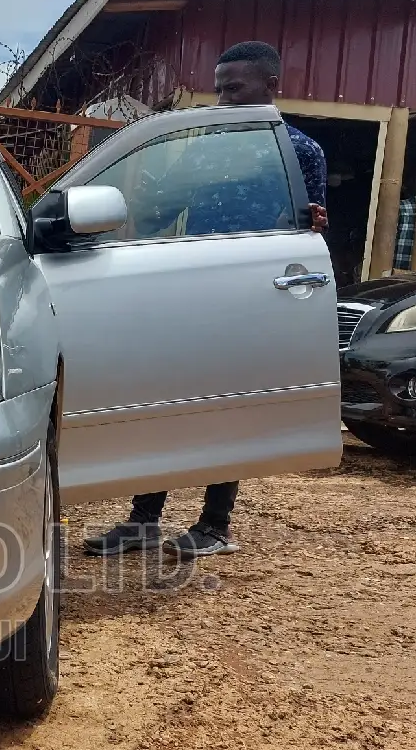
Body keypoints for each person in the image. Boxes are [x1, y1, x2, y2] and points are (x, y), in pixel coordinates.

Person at [84, 40, 329, 559]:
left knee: (226, 406)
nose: (224, 99)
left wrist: (315, 224)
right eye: (219, 90)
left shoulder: (299, 151)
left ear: (270, 86)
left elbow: (310, 224)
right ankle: (143, 519)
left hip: (248, 292)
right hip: (187, 288)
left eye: (234, 88)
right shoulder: (205, 149)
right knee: (165, 400)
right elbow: (159, 209)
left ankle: (215, 524)